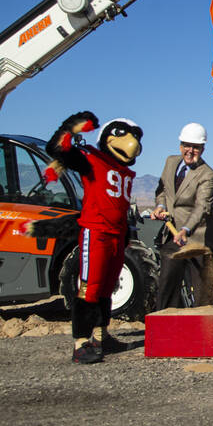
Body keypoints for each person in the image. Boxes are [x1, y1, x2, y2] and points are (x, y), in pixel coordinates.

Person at [41, 113, 143, 363]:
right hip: (96, 232)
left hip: (116, 235)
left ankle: (100, 334)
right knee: (90, 287)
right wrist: (71, 127)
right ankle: (80, 342)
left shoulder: (123, 171)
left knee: (108, 287)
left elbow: (119, 204)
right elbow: (56, 150)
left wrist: (126, 232)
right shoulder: (91, 160)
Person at [154, 122, 213, 309]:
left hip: (199, 237)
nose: (190, 151)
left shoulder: (208, 175)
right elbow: (162, 190)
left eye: (196, 147)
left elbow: (202, 207)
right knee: (167, 283)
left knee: (201, 293)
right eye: (187, 146)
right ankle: (166, 325)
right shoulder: (170, 162)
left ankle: (201, 331)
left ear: (203, 148)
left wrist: (185, 229)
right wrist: (160, 206)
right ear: (180, 146)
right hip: (173, 235)